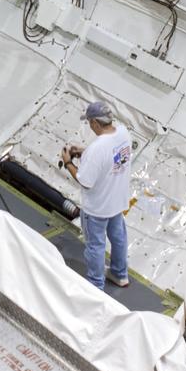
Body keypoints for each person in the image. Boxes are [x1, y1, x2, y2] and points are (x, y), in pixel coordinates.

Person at [60, 100, 132, 291]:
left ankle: (95, 286)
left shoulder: (97, 149)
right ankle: (119, 274)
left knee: (95, 246)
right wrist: (83, 151)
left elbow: (85, 181)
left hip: (98, 209)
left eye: (90, 122)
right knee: (119, 238)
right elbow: (112, 158)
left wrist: (68, 162)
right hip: (117, 203)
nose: (90, 126)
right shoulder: (124, 133)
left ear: (96, 123)